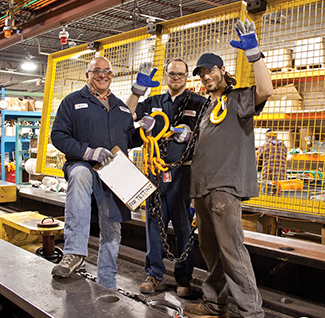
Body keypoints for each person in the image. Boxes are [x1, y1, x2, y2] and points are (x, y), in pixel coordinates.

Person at [184, 19, 273, 318]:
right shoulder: (207, 108)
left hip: (224, 188)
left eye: (210, 71)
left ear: (222, 71)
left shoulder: (237, 99)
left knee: (232, 253)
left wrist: (255, 55)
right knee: (212, 253)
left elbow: (266, 89)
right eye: (201, 74)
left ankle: (250, 312)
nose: (206, 76)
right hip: (203, 189)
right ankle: (215, 303)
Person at [50, 56, 155, 290]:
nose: (102, 75)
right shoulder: (72, 102)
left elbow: (127, 138)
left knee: (113, 227)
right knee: (80, 176)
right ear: (87, 75)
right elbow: (58, 135)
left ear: (112, 76)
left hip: (114, 172)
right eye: (96, 71)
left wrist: (142, 132)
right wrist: (87, 152)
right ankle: (74, 252)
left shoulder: (120, 106)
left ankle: (107, 282)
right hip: (84, 164)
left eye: (107, 71)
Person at [125, 58, 207, 297]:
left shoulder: (199, 103)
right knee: (153, 224)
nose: (176, 78)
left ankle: (184, 279)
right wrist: (137, 90)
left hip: (183, 174)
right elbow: (128, 113)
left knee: (184, 227)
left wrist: (192, 135)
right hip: (154, 171)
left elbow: (212, 132)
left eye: (181, 74)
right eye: (172, 74)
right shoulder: (153, 102)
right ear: (165, 75)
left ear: (186, 77)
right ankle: (154, 274)